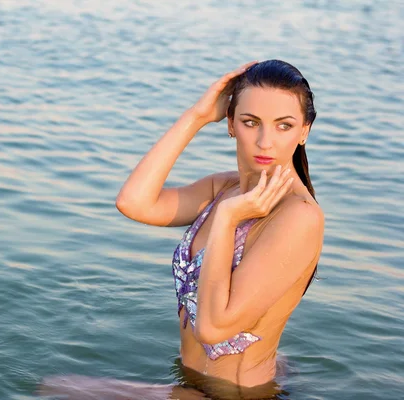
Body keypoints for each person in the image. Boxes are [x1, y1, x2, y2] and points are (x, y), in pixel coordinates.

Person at [37, 59, 324, 399]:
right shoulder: (223, 189)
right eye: (250, 122)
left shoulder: (298, 216)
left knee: (54, 390)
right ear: (231, 123)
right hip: (192, 382)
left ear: (304, 130)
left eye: (284, 126)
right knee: (54, 387)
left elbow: (213, 328)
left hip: (231, 395)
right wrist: (196, 117)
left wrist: (228, 219)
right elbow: (134, 202)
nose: (265, 142)